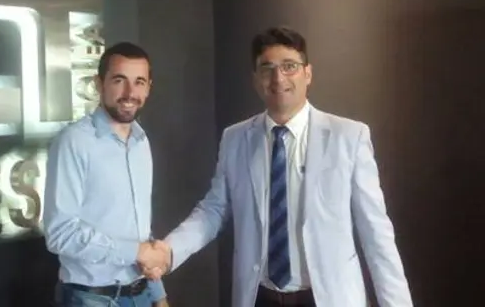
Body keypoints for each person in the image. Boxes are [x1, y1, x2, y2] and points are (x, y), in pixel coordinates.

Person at [150, 27, 413, 306]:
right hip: (259, 297)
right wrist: (169, 250)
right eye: (267, 68)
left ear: (307, 74)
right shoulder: (235, 139)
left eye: (289, 66)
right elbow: (213, 210)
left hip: (328, 298)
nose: (278, 78)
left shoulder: (348, 137)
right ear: (255, 79)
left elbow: (376, 233)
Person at [43, 42, 170, 307]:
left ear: (148, 87)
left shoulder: (141, 142)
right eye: (119, 80)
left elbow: (139, 230)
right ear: (99, 84)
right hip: (91, 298)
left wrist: (158, 294)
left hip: (142, 294)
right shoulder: (74, 142)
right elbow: (60, 232)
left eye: (139, 82)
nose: (130, 93)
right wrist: (135, 252)